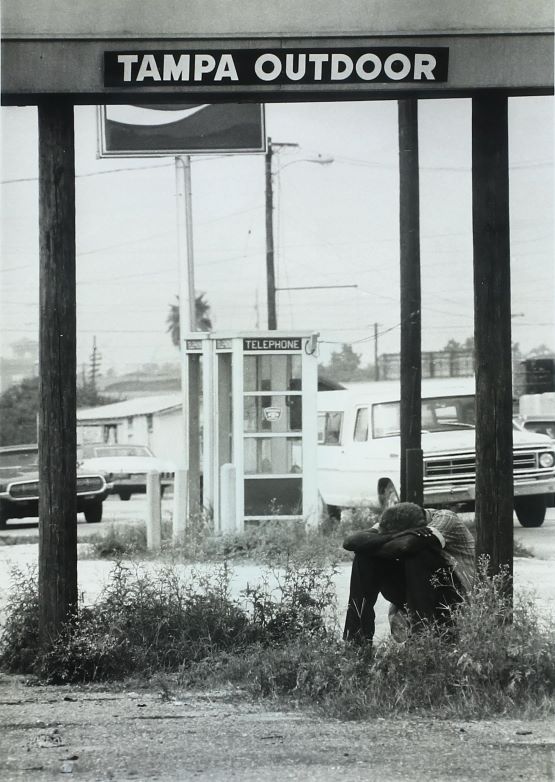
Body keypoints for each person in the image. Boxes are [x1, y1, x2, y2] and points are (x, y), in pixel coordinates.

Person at [342, 502, 475, 644]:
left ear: (418, 527)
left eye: (403, 532)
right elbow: (350, 542)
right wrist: (396, 535)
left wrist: (377, 542)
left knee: (418, 553)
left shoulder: (447, 519)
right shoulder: (396, 520)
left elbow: (404, 546)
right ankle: (356, 640)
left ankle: (421, 639)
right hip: (418, 591)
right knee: (364, 558)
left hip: (455, 597)